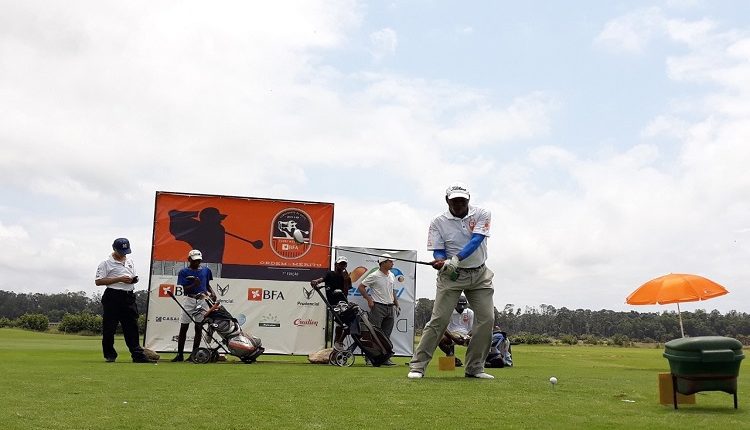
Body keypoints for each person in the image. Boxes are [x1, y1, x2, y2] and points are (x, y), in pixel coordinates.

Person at [408, 182, 495, 379]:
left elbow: (477, 240)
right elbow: (438, 250)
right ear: (447, 201)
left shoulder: (482, 214)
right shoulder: (438, 222)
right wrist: (442, 262)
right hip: (451, 276)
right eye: (455, 201)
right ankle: (418, 367)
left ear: (468, 200)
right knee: (439, 320)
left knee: (486, 319)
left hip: (479, 274)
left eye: (463, 200)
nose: (459, 204)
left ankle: (475, 368)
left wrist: (455, 259)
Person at [95, 238, 154, 363]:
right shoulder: (105, 263)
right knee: (110, 327)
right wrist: (119, 279)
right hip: (113, 296)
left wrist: (133, 280)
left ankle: (137, 355)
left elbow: (131, 276)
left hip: (129, 296)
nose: (124, 254)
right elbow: (98, 281)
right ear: (114, 249)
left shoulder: (130, 261)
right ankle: (110, 355)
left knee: (132, 326)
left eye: (125, 251)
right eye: (121, 251)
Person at [172, 249, 217, 362]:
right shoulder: (184, 272)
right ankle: (180, 355)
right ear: (189, 259)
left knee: (198, 327)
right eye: (194, 260)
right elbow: (185, 289)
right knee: (184, 327)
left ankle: (194, 355)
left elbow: (207, 284)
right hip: (189, 299)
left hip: (202, 300)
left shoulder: (206, 270)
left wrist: (212, 292)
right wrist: (194, 284)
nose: (197, 262)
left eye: (199, 260)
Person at [358, 253, 399, 366]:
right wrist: (369, 300)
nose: (392, 263)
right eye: (390, 261)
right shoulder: (374, 275)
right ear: (383, 263)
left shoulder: (391, 275)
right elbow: (361, 287)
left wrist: (396, 304)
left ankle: (385, 359)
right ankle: (369, 358)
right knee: (373, 334)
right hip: (378, 307)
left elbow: (392, 291)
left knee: (386, 335)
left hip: (390, 307)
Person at [310, 255, 352, 349]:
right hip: (333, 303)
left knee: (347, 324)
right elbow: (321, 279)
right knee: (340, 323)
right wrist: (316, 281)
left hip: (343, 302)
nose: (342, 266)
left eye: (344, 264)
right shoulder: (330, 274)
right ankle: (337, 343)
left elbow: (346, 292)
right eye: (340, 264)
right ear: (336, 264)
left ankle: (338, 343)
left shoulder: (346, 277)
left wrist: (346, 280)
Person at [439, 295, 474, 367]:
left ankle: (473, 361)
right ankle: (451, 356)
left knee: (477, 341)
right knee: (440, 338)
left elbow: (473, 329)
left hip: (466, 336)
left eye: (463, 306)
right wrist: (454, 338)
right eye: (459, 306)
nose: (461, 309)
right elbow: (443, 328)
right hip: (451, 335)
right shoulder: (449, 311)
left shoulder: (470, 312)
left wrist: (465, 337)